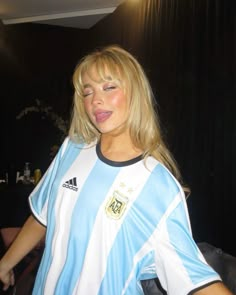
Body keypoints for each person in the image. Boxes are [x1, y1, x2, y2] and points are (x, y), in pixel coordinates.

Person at [0, 45, 233, 295]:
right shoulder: (72, 149)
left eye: (109, 87)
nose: (95, 100)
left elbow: (193, 278)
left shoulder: (157, 184)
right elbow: (42, 216)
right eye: (87, 92)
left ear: (135, 93)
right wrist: (6, 262)